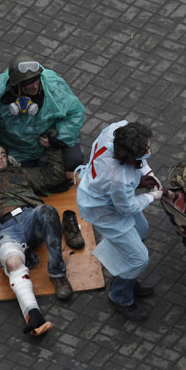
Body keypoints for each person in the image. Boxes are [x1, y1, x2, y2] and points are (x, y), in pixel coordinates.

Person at [0, 141, 73, 336]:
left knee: (47, 211)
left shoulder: (20, 173)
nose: (1, 156)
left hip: (30, 217)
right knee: (12, 263)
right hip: (5, 227)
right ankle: (34, 315)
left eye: (3, 153)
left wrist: (50, 147)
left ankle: (58, 274)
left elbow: (53, 175)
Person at [76, 121, 163, 322]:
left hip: (103, 196)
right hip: (103, 211)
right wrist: (152, 196)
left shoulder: (116, 131)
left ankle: (127, 275)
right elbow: (127, 207)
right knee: (139, 258)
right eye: (146, 147)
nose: (149, 148)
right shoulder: (119, 179)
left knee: (141, 229)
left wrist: (147, 174)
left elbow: (140, 164)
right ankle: (120, 296)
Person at [0, 53, 86, 171]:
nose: (35, 87)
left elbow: (76, 113)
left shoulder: (54, 88)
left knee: (73, 162)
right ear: (17, 86)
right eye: (29, 85)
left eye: (37, 82)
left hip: (51, 142)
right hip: (18, 150)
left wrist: (58, 138)